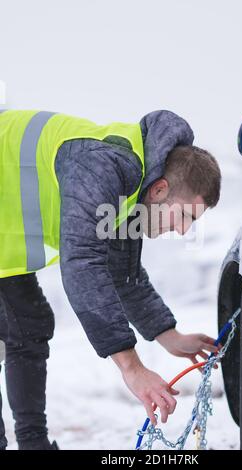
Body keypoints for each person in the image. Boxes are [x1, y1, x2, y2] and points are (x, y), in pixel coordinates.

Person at [0, 109, 221, 450]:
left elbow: (121, 273)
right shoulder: (102, 168)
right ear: (160, 190)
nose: (184, 230)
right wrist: (132, 368)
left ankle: (33, 444)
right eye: (186, 215)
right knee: (20, 324)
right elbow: (83, 264)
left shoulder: (132, 192)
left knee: (27, 324)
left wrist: (168, 335)